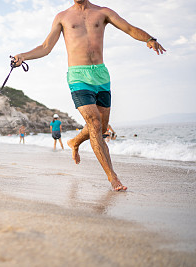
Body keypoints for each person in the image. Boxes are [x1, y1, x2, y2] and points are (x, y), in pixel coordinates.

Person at [13, 0, 165, 191]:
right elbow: (46, 46)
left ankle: (75, 141)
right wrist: (23, 56)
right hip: (78, 76)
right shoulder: (62, 17)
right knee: (94, 123)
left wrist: (149, 39)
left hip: (101, 75)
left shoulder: (103, 12)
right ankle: (113, 177)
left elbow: (128, 28)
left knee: (100, 129)